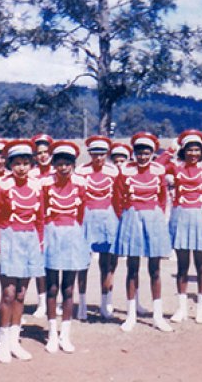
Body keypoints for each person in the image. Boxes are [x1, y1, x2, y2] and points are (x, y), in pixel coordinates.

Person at [157, 129, 202, 324]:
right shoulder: (176, 166)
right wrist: (170, 149)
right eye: (189, 149)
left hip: (201, 215)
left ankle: (201, 308)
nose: (193, 154)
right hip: (181, 215)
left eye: (197, 149)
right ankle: (181, 308)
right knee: (182, 266)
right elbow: (156, 167)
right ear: (184, 150)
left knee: (201, 266)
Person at [0, 139, 44, 363]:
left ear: (31, 164)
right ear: (10, 164)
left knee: (21, 293)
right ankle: (2, 342)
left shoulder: (37, 185)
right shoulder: (1, 185)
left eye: (25, 163)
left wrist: (39, 243)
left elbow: (40, 219)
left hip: (29, 239)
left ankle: (14, 341)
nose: (21, 167)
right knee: (8, 293)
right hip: (8, 238)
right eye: (17, 163)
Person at [113, 132, 173, 332]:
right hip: (132, 217)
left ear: (153, 153)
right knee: (132, 268)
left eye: (147, 153)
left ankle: (157, 315)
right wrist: (127, 216)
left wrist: (156, 216)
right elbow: (117, 197)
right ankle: (131, 314)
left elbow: (163, 197)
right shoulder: (125, 170)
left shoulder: (159, 169)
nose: (143, 157)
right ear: (134, 153)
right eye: (139, 152)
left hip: (153, 218)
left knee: (155, 269)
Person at [41, 140, 89, 353]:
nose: (63, 168)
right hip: (52, 234)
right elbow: (41, 212)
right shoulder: (45, 184)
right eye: (59, 163)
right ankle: (52, 332)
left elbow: (81, 213)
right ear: (54, 164)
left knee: (68, 288)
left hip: (72, 235)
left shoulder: (80, 184)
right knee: (52, 287)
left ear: (73, 164)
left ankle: (65, 334)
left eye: (67, 163)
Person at [75, 135, 119, 319]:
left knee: (107, 262)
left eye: (102, 154)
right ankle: (82, 303)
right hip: (87, 217)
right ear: (90, 154)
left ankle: (105, 302)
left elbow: (118, 195)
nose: (98, 158)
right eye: (95, 154)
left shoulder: (113, 171)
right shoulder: (80, 171)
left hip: (108, 218)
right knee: (83, 262)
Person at [29, 134, 56, 319]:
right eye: (39, 153)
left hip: (55, 223)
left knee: (54, 264)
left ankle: (54, 301)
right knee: (40, 265)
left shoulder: (59, 170)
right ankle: (41, 302)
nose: (43, 156)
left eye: (46, 152)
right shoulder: (31, 173)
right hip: (38, 224)